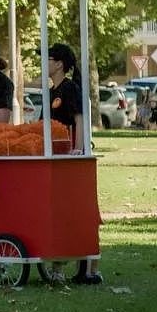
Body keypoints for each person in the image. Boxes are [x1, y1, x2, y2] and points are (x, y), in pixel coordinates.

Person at [45, 43, 102, 285]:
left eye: (48, 59)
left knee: (78, 211)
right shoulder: (50, 92)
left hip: (69, 158)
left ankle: (89, 267)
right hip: (54, 158)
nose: (44, 63)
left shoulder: (70, 89)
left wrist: (78, 150)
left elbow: (79, 119)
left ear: (59, 64)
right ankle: (59, 267)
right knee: (57, 212)